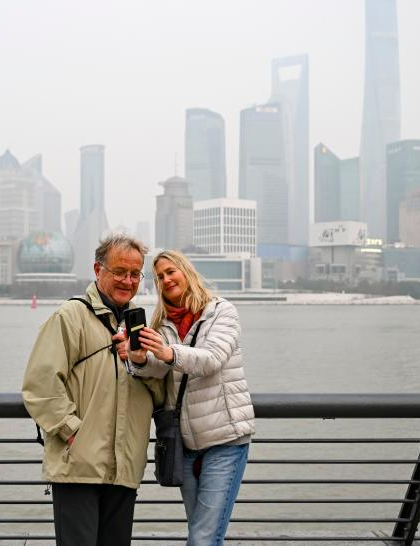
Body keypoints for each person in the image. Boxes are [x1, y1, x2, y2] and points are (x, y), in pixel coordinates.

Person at [22, 234, 163, 546]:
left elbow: (160, 393)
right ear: (98, 270)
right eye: (119, 272)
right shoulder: (70, 316)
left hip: (124, 467)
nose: (128, 281)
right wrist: (72, 431)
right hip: (79, 465)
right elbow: (40, 384)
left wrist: (144, 361)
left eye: (135, 274)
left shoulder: (140, 326)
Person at [120, 249, 255, 546]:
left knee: (203, 537)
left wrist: (168, 352)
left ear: (186, 272)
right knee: (202, 534)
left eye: (171, 272)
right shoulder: (163, 323)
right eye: (159, 277)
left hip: (225, 440)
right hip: (186, 445)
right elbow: (159, 369)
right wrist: (139, 358)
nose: (166, 280)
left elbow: (212, 359)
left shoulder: (221, 311)